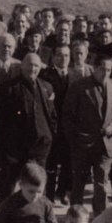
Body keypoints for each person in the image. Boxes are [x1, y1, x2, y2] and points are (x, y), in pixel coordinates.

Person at [62, 53, 112, 215]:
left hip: (105, 144)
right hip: (82, 144)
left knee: (101, 184)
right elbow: (68, 116)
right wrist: (75, 139)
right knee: (79, 183)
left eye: (109, 70)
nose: (105, 73)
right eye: (102, 69)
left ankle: (100, 218)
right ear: (94, 68)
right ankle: (76, 216)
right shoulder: (79, 86)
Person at [0, 53, 56, 202]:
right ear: (22, 66)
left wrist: (50, 136)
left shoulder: (47, 87)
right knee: (9, 184)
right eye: (29, 64)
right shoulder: (8, 88)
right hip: (15, 147)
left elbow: (52, 116)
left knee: (37, 184)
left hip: (40, 146)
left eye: (36, 66)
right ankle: (5, 217)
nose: (32, 68)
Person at [40, 42, 74, 204]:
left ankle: (63, 192)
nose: (63, 58)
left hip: (69, 126)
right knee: (51, 162)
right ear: (53, 57)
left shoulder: (75, 75)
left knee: (67, 162)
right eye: (59, 55)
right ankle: (49, 194)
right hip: (52, 125)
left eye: (66, 55)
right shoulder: (45, 75)